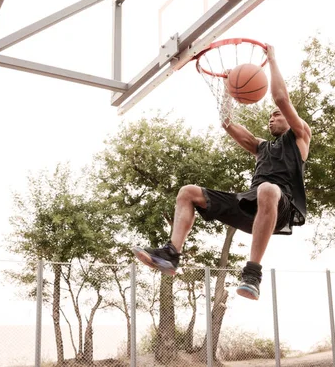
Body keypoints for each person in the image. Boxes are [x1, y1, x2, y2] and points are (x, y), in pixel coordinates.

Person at [132, 44, 311, 300]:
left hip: (280, 207)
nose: (272, 119)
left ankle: (252, 273)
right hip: (251, 206)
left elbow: (281, 98)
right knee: (188, 193)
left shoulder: (301, 135)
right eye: (270, 117)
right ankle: (171, 254)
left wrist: (271, 59)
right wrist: (228, 89)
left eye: (276, 116)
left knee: (268, 189)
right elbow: (227, 123)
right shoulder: (261, 147)